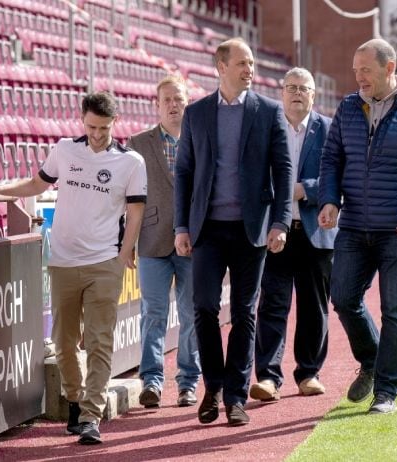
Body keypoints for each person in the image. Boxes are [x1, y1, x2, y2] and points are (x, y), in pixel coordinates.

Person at [0, 91, 147, 444]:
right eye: (91, 127)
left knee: (100, 341)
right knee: (65, 342)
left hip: (105, 263)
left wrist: (123, 254)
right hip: (64, 262)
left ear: (114, 123)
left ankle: (90, 416)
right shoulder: (64, 150)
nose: (97, 134)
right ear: (81, 121)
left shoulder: (131, 162)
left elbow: (135, 213)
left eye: (103, 128)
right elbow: (38, 183)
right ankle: (74, 400)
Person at [318, 38, 397, 415]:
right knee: (342, 297)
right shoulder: (348, 106)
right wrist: (330, 199)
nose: (358, 77)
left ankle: (387, 391)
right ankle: (372, 361)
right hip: (355, 224)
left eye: (366, 70)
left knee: (395, 310)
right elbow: (331, 159)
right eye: (355, 70)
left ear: (388, 68)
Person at [174, 37, 292, 426]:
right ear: (220, 67)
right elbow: (185, 173)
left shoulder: (269, 111)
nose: (250, 69)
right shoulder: (196, 113)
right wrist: (180, 226)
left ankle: (236, 396)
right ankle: (214, 386)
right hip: (206, 229)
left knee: (244, 312)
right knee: (204, 307)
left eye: (252, 63)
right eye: (242, 63)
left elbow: (283, 170)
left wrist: (280, 221)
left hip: (251, 231)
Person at [249, 67, 336, 403]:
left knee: (314, 307)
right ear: (281, 93)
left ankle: (309, 372)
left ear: (313, 95)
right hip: (275, 231)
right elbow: (254, 174)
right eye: (291, 87)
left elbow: (336, 177)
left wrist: (304, 190)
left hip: (316, 232)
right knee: (272, 305)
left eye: (304, 88)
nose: (297, 93)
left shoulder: (328, 129)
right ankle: (269, 377)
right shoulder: (266, 129)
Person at [127, 75, 200, 409]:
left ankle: (188, 383)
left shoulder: (202, 140)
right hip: (153, 242)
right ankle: (152, 382)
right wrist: (125, 242)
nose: (174, 105)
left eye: (179, 99)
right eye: (167, 99)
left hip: (194, 243)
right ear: (157, 105)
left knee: (191, 314)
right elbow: (125, 198)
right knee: (153, 314)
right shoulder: (138, 145)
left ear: (188, 103)